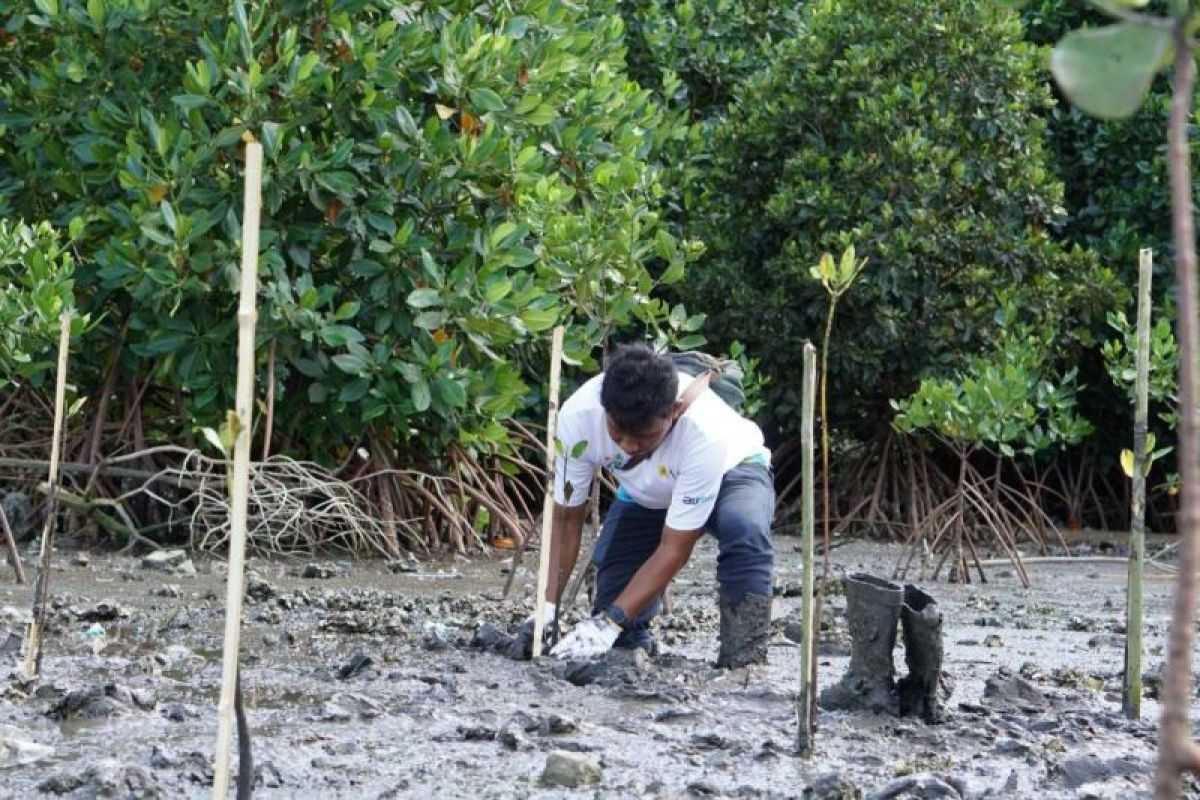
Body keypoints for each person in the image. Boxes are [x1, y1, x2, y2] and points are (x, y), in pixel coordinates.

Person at [543, 344, 776, 667]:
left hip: (732, 473)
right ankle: (631, 643)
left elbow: (675, 547)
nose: (627, 445)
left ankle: (744, 658)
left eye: (642, 436)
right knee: (616, 617)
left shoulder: (705, 432)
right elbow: (566, 521)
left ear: (674, 411)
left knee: (744, 527)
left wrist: (610, 622)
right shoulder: (578, 417)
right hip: (650, 491)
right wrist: (545, 612)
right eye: (618, 433)